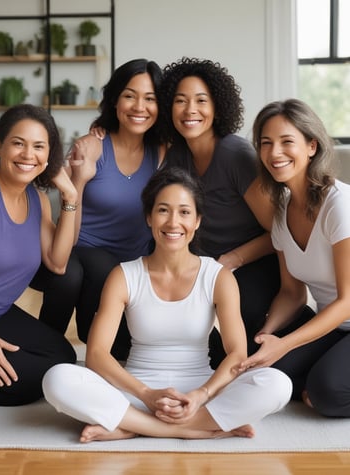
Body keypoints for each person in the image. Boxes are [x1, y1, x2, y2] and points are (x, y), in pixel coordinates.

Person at [42, 166, 292, 443]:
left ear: (197, 221)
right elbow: (97, 354)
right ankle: (198, 428)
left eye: (185, 212)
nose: (174, 222)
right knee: (57, 378)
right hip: (137, 392)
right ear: (149, 217)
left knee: (277, 384)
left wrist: (202, 394)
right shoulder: (124, 275)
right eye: (163, 210)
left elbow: (236, 354)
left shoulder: (217, 276)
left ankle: (134, 426)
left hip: (199, 392)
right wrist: (146, 394)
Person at [30, 59, 166, 360]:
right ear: (115, 99)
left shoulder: (163, 150)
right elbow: (72, 228)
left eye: (150, 98)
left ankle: (86, 338)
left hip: (133, 264)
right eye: (130, 95)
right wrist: (79, 178)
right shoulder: (91, 146)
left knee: (124, 351)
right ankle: (44, 348)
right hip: (85, 251)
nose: (139, 106)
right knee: (70, 274)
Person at [158, 57, 280, 362]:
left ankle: (295, 319)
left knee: (234, 341)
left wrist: (232, 259)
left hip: (253, 263)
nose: (190, 110)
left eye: (201, 100)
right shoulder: (176, 156)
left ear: (218, 106)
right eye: (180, 101)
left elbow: (279, 232)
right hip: (205, 265)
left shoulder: (236, 155)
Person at [236, 98, 350, 418]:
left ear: (311, 146)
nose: (275, 153)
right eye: (266, 143)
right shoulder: (283, 211)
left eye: (287, 142)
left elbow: (347, 301)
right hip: (334, 327)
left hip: (342, 314)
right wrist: (267, 337)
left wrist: (285, 344)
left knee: (327, 392)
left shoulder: (338, 205)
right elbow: (291, 293)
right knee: (268, 373)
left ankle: (320, 389)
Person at [0, 104, 77, 406]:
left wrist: (70, 196)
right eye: (18, 143)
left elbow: (57, 263)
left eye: (39, 147)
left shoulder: (39, 200)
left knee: (61, 359)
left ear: (49, 156)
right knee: (39, 379)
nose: (28, 155)